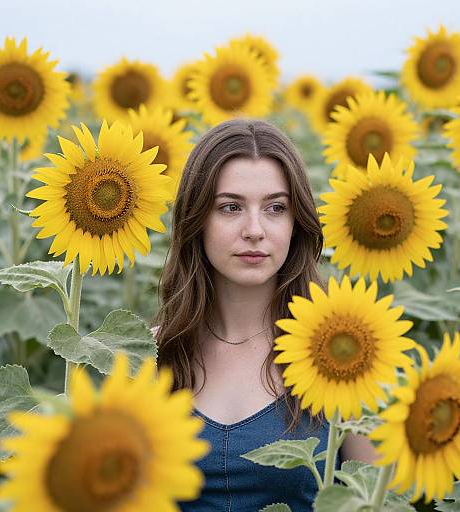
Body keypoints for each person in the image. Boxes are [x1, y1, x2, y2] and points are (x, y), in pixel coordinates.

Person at [151, 118, 377, 511]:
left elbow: (378, 499)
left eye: (275, 208)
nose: (254, 230)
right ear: (196, 220)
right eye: (231, 207)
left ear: (296, 223)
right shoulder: (149, 355)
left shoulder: (345, 355)